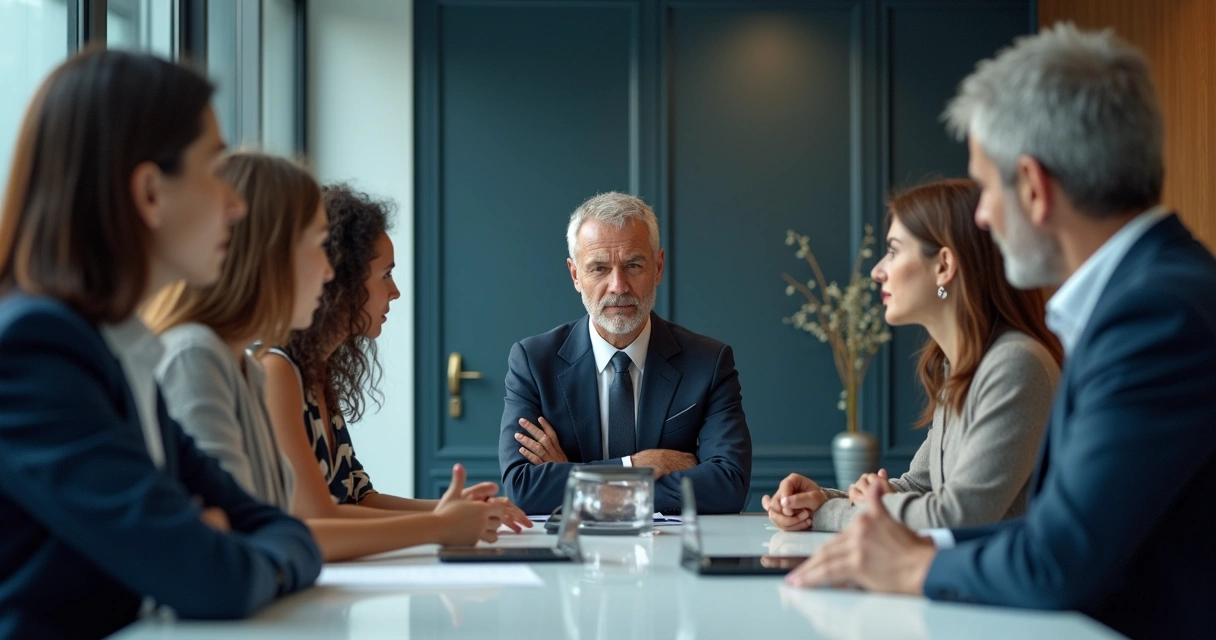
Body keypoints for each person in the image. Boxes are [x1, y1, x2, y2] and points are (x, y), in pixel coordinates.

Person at [785, 24, 1216, 639]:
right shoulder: (1155, 293)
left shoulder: (1153, 316)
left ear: (1035, 190)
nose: (982, 216)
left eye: (987, 188)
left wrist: (911, 563)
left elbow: (1058, 558)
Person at [0, 51, 321, 639]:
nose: (236, 205)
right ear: (150, 193)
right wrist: (221, 548)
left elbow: (283, 529)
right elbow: (210, 576)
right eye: (214, 167)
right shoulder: (33, 353)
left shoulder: (119, 354)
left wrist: (232, 546)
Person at [145, 153, 514, 561]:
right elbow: (278, 528)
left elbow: (290, 521)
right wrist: (439, 525)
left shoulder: (246, 365)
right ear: (271, 254)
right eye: (317, 247)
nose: (327, 272)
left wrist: (447, 518)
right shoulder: (215, 357)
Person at [762, 179, 1062, 532]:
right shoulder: (963, 368)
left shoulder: (1014, 365)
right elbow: (917, 488)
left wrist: (826, 515)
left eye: (893, 250)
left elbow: (956, 516)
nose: (877, 271)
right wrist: (821, 499)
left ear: (944, 265)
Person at [263, 184, 529, 530]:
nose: (396, 291)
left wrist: (454, 509)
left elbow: (359, 497)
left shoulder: (317, 372)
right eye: (385, 275)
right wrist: (441, 524)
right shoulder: (277, 372)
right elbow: (315, 518)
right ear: (341, 281)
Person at [498, 191, 752, 515]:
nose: (618, 286)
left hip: (669, 555)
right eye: (599, 268)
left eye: (633, 265)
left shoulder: (709, 363)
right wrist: (637, 465)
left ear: (658, 268)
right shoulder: (533, 362)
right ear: (575, 275)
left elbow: (728, 486)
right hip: (566, 556)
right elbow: (524, 487)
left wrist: (581, 480)